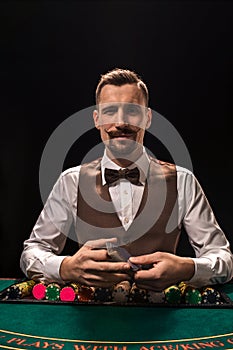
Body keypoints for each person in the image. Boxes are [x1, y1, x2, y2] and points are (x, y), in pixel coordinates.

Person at [20, 68, 233, 291]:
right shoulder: (70, 181)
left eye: (132, 111)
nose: (121, 123)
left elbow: (223, 259)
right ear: (97, 119)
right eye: (110, 111)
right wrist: (66, 267)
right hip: (91, 316)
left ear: (147, 118)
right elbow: (32, 252)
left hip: (161, 315)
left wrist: (188, 268)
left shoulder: (183, 180)